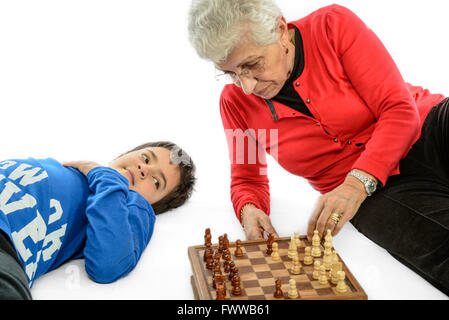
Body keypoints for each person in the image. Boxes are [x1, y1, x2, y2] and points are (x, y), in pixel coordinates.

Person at [188, 0, 448, 294]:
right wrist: (249, 209)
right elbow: (247, 177)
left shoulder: (332, 26)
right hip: (379, 197)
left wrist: (356, 184)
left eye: (252, 65)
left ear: (280, 31)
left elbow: (398, 109)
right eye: (231, 73)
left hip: (427, 128)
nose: (246, 86)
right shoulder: (235, 104)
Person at [0, 141, 196, 299]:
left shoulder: (130, 206)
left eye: (156, 182)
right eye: (145, 158)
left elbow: (110, 263)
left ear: (153, 205)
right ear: (120, 156)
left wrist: (106, 177)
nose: (144, 169)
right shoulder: (78, 171)